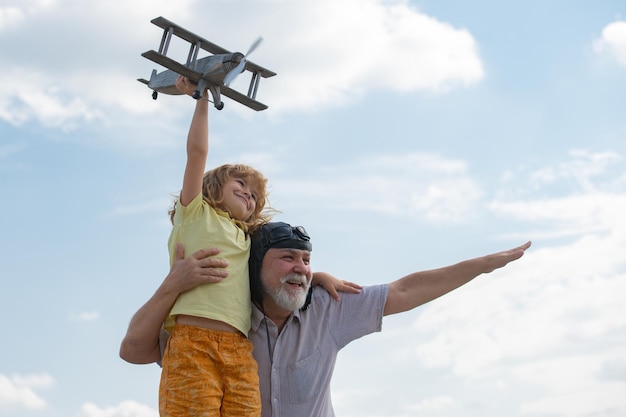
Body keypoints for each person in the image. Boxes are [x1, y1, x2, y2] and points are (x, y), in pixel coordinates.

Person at [120, 221, 531, 417]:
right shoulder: (222, 318)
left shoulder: (327, 306)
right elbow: (134, 351)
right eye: (286, 258)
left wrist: (481, 265)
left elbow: (405, 290)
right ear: (254, 267)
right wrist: (172, 286)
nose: (300, 268)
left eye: (307, 260)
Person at [159, 75, 273, 416]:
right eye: (240, 184)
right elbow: (197, 152)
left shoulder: (246, 236)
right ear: (214, 187)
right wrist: (202, 98)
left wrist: (321, 277)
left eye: (254, 195)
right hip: (193, 341)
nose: (248, 195)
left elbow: (284, 264)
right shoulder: (195, 212)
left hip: (239, 348)